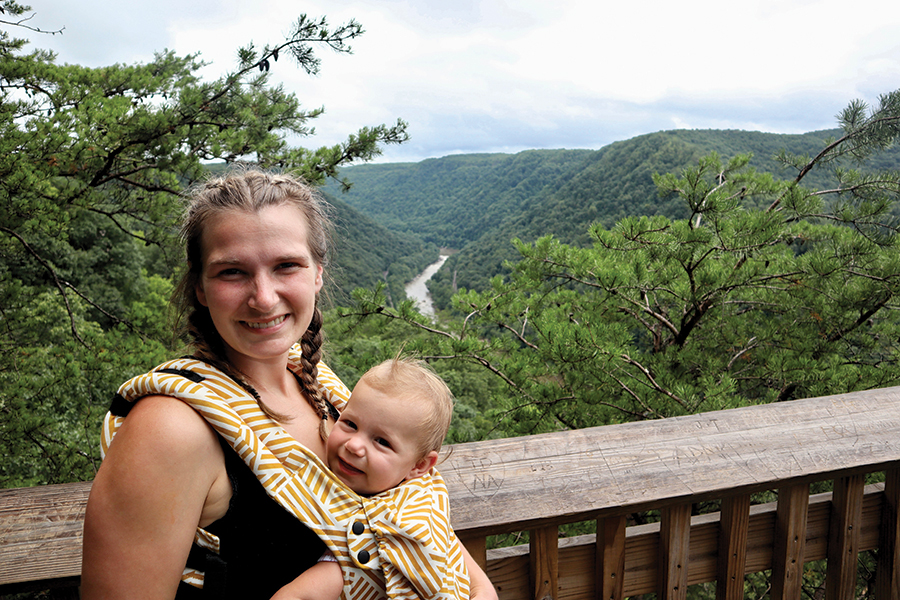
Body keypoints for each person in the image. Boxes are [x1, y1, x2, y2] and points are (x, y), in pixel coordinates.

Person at [80, 170, 497, 600]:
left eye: (286, 266)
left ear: (318, 272)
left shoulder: (323, 388)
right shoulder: (170, 429)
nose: (263, 297)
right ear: (200, 285)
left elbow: (406, 519)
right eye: (232, 272)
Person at [271, 357, 463, 600]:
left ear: (419, 466)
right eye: (350, 423)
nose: (354, 445)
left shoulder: (373, 527)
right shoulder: (421, 494)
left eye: (382, 441)